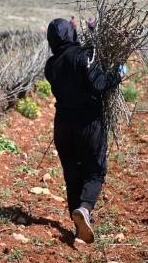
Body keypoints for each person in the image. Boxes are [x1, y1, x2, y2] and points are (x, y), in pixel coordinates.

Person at [44, 18, 121, 244]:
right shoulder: (84, 55)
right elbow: (99, 84)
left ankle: (79, 227)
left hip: (63, 126)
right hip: (88, 124)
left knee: (72, 174)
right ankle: (86, 209)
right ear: (71, 34)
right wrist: (117, 73)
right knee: (95, 171)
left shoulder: (51, 65)